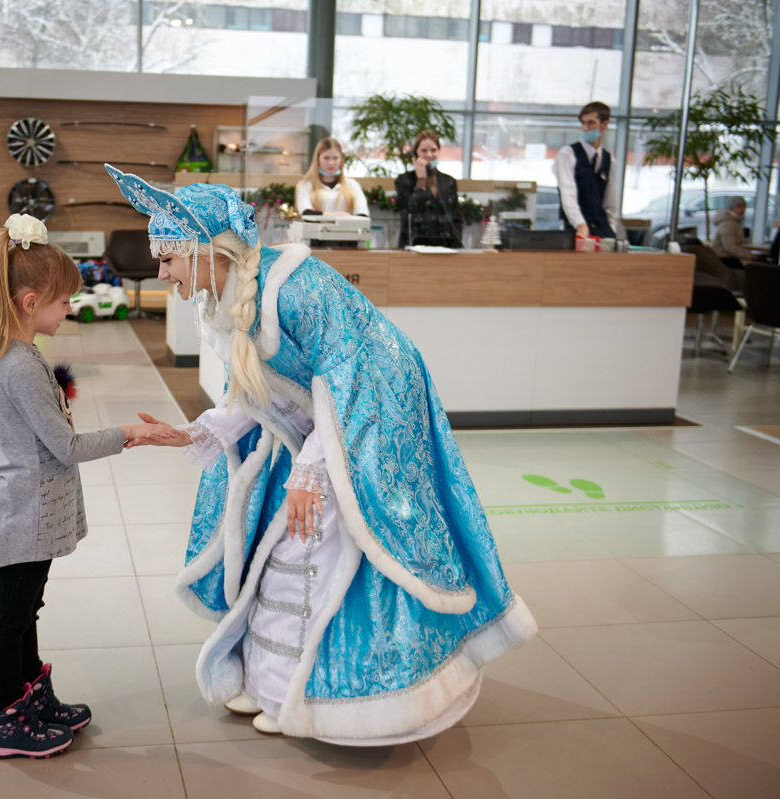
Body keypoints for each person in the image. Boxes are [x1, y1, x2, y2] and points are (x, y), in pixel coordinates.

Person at [106, 164, 537, 745]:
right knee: (281, 547)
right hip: (323, 427)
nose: (162, 273)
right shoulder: (226, 299)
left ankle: (326, 698)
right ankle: (270, 685)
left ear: (208, 252)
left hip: (372, 416)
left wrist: (311, 472)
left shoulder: (298, 287)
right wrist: (192, 434)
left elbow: (353, 381)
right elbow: (256, 397)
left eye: (169, 259)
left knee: (315, 546)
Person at [0, 212, 173, 761]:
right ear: (31, 302)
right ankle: (5, 716)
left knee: (26, 608)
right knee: (11, 616)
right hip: (25, 512)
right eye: (63, 302)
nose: (70, 309)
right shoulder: (19, 366)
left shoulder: (24, 355)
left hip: (36, 510)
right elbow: (66, 446)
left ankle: (30, 696)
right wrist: (130, 433)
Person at [553, 101, 627, 242]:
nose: (585, 128)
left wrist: (611, 228)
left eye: (591, 123)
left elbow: (610, 203)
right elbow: (567, 192)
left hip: (603, 230)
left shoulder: (610, 160)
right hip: (576, 229)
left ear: (604, 124)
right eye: (583, 123)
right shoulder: (567, 154)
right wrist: (580, 224)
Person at [394, 130, 463, 248]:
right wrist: (421, 182)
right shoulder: (404, 180)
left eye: (433, 150)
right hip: (414, 244)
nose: (429, 155)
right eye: (424, 151)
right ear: (415, 153)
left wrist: (457, 244)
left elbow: (455, 217)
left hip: (445, 245)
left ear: (439, 151)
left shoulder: (448, 181)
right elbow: (409, 210)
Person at [295, 138, 369, 218]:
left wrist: (321, 215)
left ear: (341, 159)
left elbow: (362, 214)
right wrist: (342, 215)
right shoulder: (305, 185)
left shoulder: (352, 185)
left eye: (335, 158)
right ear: (317, 159)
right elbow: (306, 213)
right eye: (326, 158)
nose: (331, 163)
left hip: (346, 227)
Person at [711, 196, 752, 269]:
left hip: (728, 258)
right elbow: (729, 247)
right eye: (739, 207)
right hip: (726, 259)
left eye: (744, 206)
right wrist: (750, 255)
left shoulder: (735, 222)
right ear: (731, 208)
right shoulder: (728, 224)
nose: (742, 209)